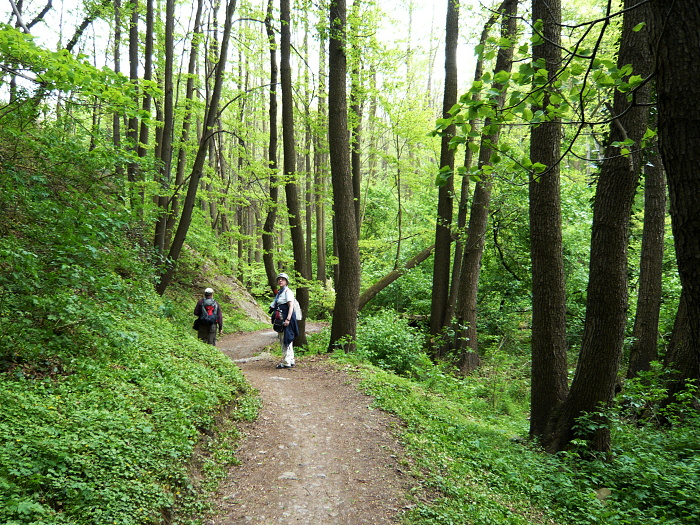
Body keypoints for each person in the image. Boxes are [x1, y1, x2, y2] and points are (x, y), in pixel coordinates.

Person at [270, 273, 299, 369]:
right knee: (286, 338)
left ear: (286, 282)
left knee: (286, 339)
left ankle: (287, 362)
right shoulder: (280, 292)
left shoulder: (287, 292)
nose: (280, 281)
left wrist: (288, 319)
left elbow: (291, 306)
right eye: (279, 279)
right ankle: (290, 360)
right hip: (281, 318)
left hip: (287, 318)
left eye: (283, 279)